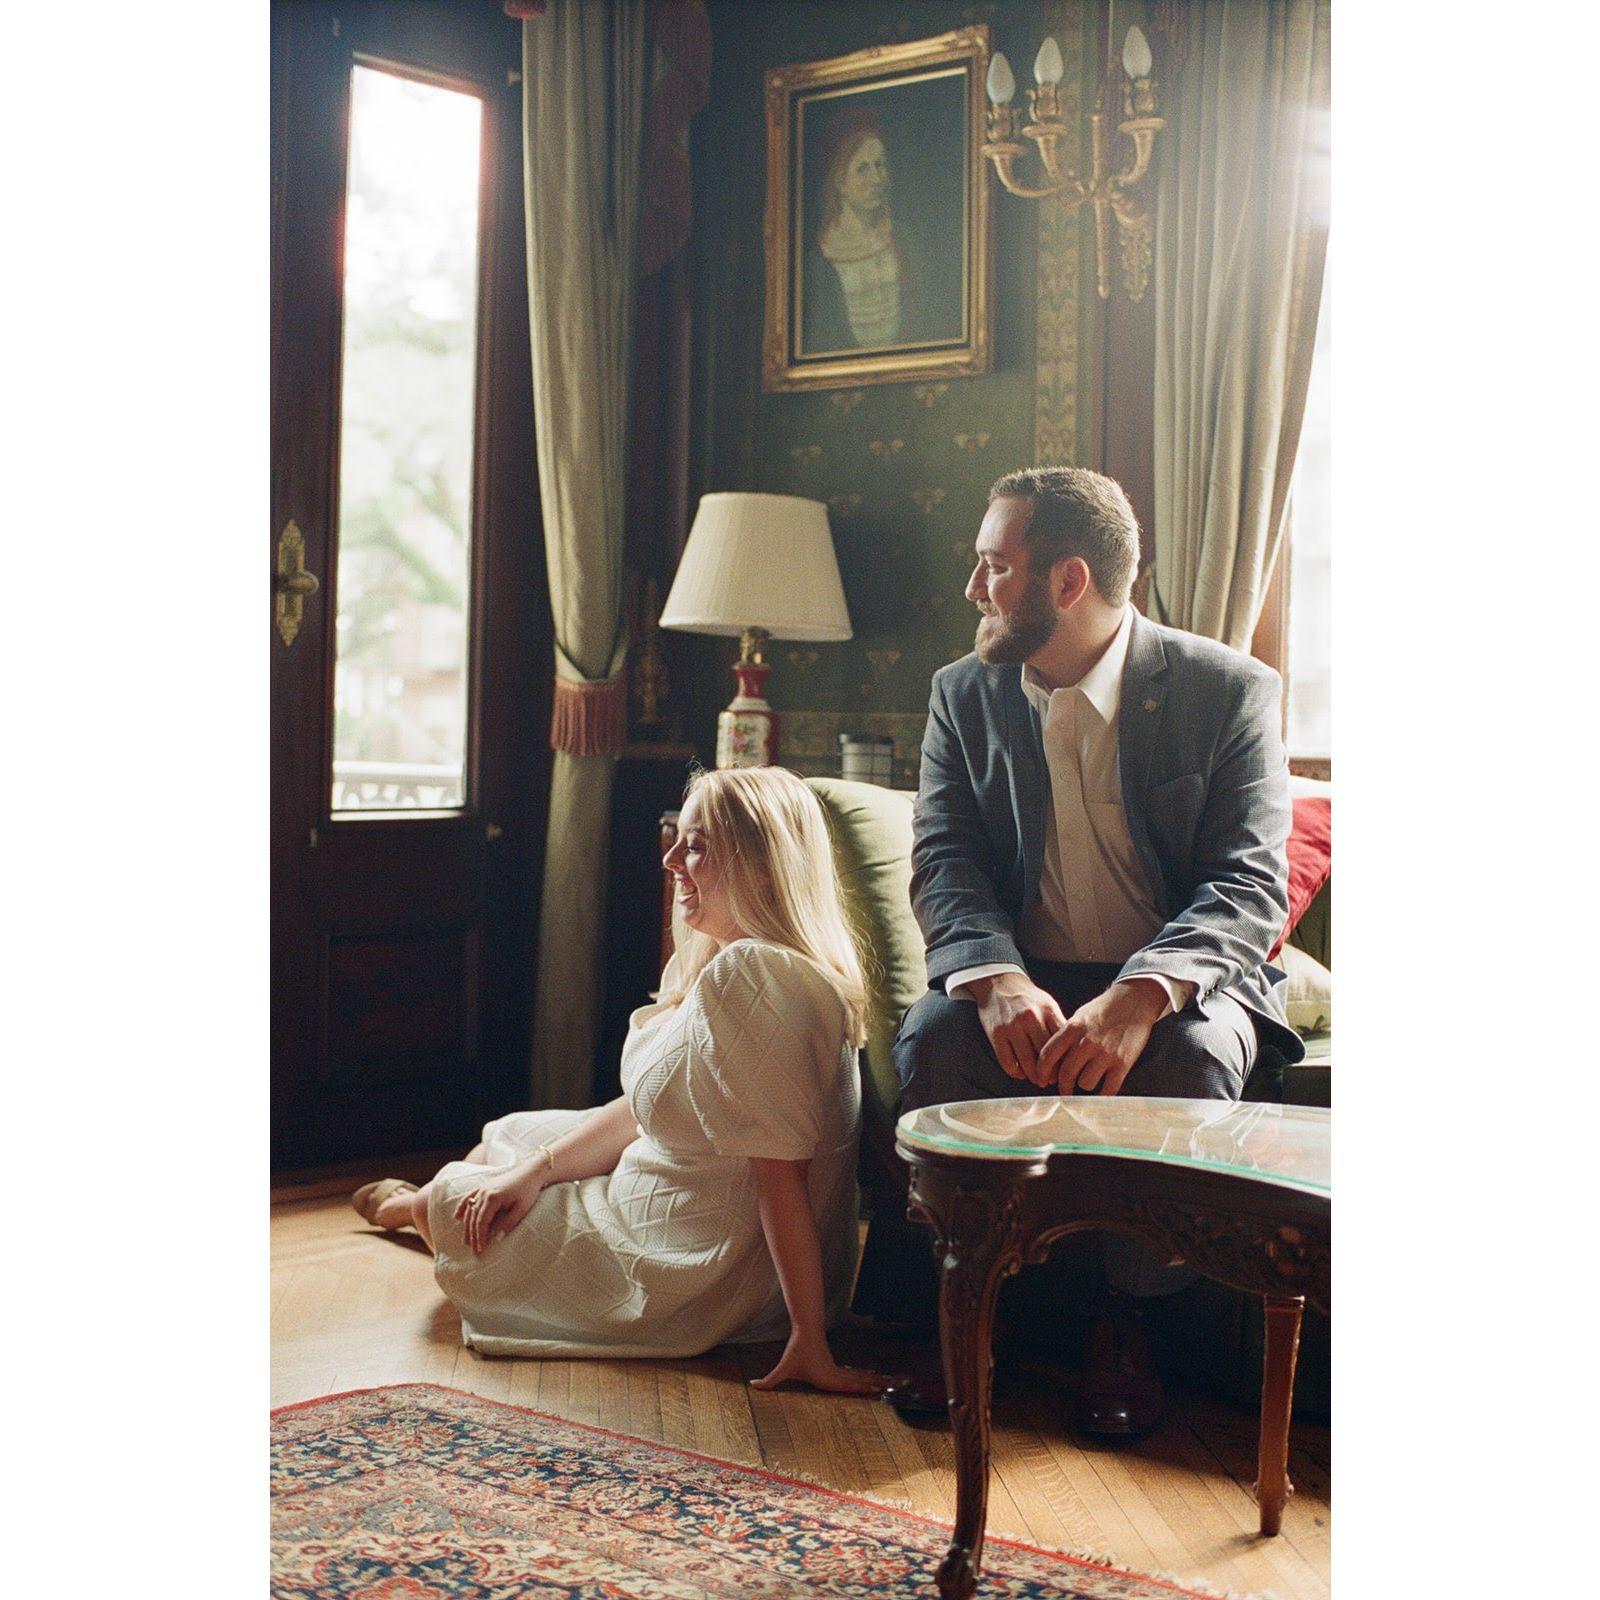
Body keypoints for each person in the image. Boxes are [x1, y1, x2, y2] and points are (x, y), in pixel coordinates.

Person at [887, 465, 1303, 1435]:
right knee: (935, 1040)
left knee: (1188, 1062)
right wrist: (994, 980)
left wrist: (1140, 996)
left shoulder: (1227, 690)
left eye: (995, 566)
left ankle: (1129, 1324)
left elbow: (1249, 884)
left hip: (1183, 984)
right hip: (1020, 972)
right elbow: (943, 858)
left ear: (1067, 581)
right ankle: (967, 1308)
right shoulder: (963, 694)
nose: (974, 588)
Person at [352, 767, 881, 1395]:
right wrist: (538, 1171)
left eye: (695, 846)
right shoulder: (736, 958)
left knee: (448, 1199)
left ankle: (408, 1209)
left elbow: (782, 1174)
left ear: (764, 865)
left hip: (692, 1263)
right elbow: (643, 1106)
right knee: (510, 1142)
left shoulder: (755, 977)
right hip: (670, 1178)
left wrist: (808, 1336)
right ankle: (455, 1211)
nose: (671, 861)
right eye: (677, 842)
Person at [801, 110, 953, 355]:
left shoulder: (905, 240)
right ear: (840, 181)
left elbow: (930, 315)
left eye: (880, 165)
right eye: (862, 169)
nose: (876, 179)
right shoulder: (817, 260)